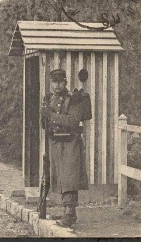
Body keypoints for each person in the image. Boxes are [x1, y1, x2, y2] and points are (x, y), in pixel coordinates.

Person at [40, 69, 89, 228]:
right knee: (60, 177)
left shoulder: (74, 99)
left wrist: (51, 115)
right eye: (54, 81)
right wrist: (44, 116)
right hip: (55, 143)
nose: (57, 85)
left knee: (69, 177)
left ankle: (70, 214)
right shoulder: (49, 99)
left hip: (70, 142)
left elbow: (73, 121)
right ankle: (66, 212)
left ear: (66, 82)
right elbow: (44, 125)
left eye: (60, 81)